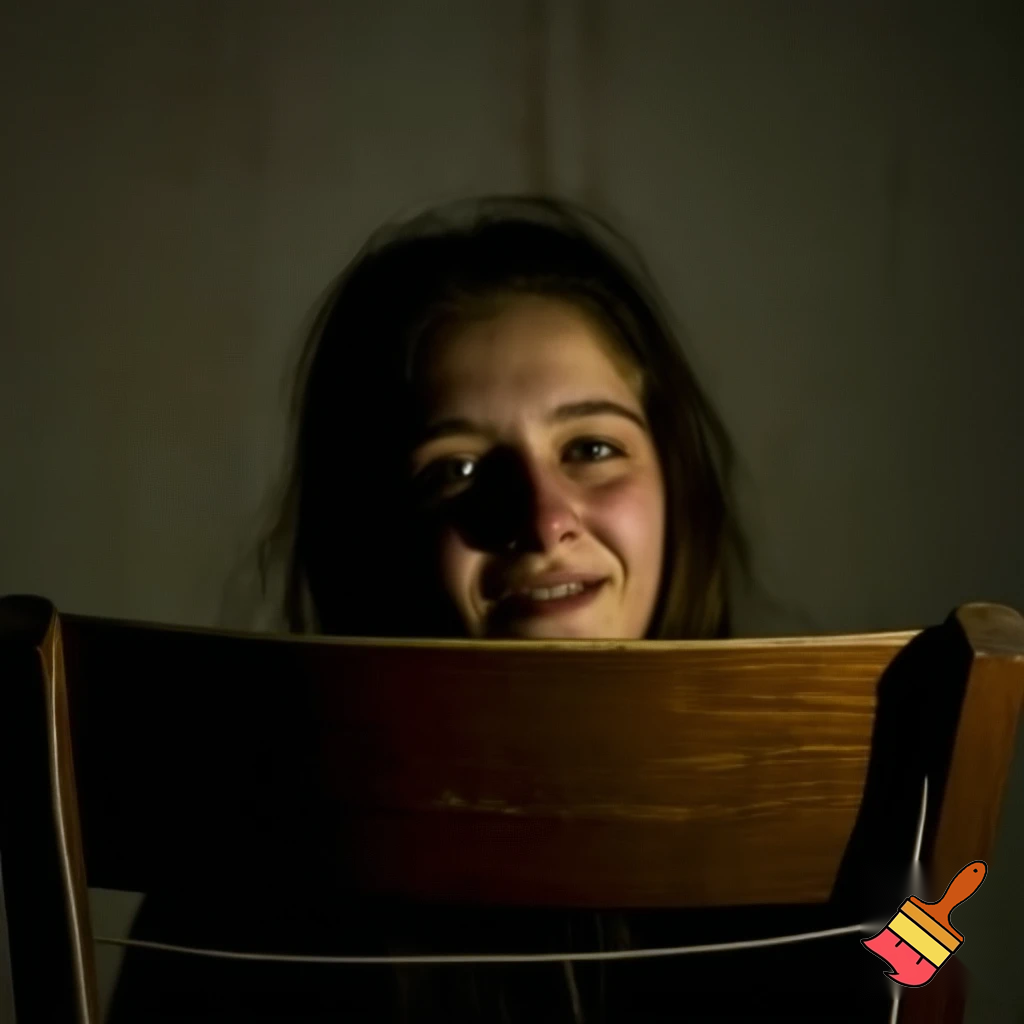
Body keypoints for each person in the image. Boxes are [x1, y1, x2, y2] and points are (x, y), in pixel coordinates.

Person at [110, 197, 880, 1021]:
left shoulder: (828, 805)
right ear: (369, 532)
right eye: (459, 470)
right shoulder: (249, 852)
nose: (543, 520)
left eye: (591, 448)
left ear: (675, 481)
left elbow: (920, 971)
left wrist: (924, 934)